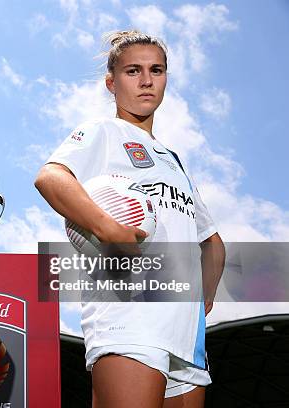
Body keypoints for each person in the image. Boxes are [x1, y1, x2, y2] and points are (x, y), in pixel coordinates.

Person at [35, 31, 225, 407]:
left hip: (186, 337)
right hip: (129, 314)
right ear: (111, 82)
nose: (146, 80)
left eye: (157, 70)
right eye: (132, 71)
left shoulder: (174, 161)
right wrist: (109, 229)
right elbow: (51, 177)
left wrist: (202, 296)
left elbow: (213, 242)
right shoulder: (103, 132)